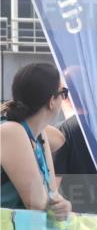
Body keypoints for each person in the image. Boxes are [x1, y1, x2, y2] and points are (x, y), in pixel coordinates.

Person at [0, 62, 72, 220]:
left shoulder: (39, 135)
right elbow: (36, 202)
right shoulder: (11, 131)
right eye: (64, 92)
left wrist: (63, 205)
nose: (65, 98)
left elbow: (52, 196)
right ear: (51, 101)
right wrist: (58, 205)